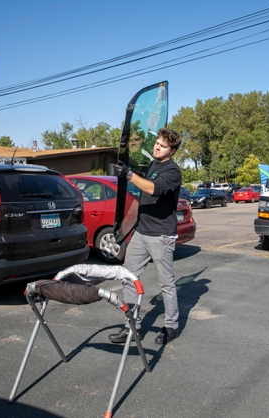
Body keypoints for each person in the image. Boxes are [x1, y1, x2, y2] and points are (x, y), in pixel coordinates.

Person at [109, 127, 182, 345]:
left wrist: (129, 175)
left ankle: (172, 326)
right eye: (157, 142)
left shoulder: (173, 171)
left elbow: (154, 189)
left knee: (166, 283)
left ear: (172, 151)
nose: (158, 146)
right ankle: (133, 326)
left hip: (161, 235)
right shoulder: (153, 165)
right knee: (128, 276)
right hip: (141, 232)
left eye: (163, 145)